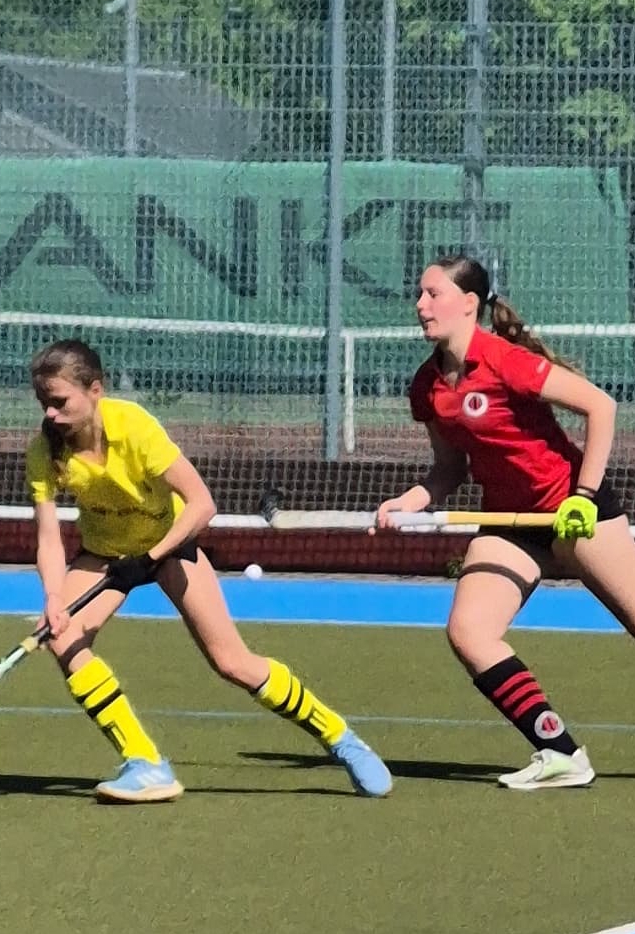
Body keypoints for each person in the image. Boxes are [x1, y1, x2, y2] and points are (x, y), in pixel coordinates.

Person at [373, 256, 635, 791]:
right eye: (419, 294)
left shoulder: (505, 361)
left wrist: (582, 497)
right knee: (470, 632)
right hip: (511, 519)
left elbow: (601, 406)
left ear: (468, 304)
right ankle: (560, 753)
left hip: (573, 507)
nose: (420, 305)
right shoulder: (427, 386)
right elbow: (448, 469)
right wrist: (408, 502)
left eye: (432, 294)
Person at [26, 338, 392, 803]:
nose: (50, 414)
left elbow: (202, 504)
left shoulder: (134, 427)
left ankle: (340, 737)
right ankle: (145, 763)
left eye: (60, 402)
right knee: (62, 637)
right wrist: (53, 599)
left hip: (170, 544)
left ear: (95, 390)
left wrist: (150, 557)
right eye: (44, 402)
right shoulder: (44, 450)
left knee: (232, 663)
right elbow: (48, 537)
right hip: (104, 553)